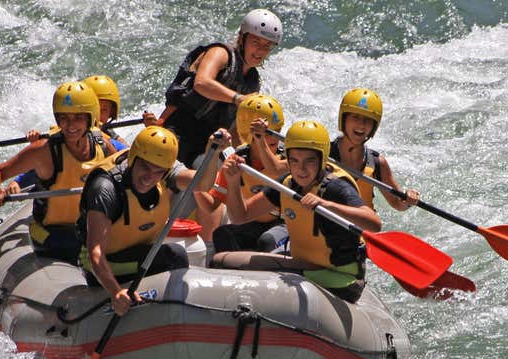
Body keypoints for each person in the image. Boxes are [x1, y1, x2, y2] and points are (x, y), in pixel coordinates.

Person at [221, 120, 381, 303]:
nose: (301, 169)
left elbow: (374, 223)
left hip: (340, 277)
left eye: (309, 161)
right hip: (308, 265)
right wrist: (233, 181)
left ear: (322, 159)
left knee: (244, 269)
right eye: (294, 161)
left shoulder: (336, 187)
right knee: (222, 261)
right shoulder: (287, 183)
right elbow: (240, 216)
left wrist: (327, 205)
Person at [77, 126, 231, 316]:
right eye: (145, 167)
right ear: (133, 159)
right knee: (174, 255)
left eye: (158, 171)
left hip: (137, 255)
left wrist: (212, 152)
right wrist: (116, 292)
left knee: (176, 253)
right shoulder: (105, 188)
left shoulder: (166, 169)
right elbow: (95, 253)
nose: (149, 177)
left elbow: (201, 184)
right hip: (105, 264)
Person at [0, 81, 115, 263]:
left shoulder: (102, 145)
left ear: (90, 117)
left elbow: (122, 177)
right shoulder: (44, 151)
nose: (70, 125)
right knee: (79, 243)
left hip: (88, 229)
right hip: (53, 235)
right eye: (64, 118)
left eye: (77, 117)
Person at [160, 8, 282, 167]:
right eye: (255, 42)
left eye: (267, 46)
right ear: (242, 38)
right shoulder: (221, 53)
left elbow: (237, 130)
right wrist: (238, 98)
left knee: (236, 169)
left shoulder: (253, 81)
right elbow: (201, 83)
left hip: (207, 144)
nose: (260, 50)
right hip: (177, 131)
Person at [194, 93, 288, 257]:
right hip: (251, 223)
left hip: (285, 225)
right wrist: (196, 183)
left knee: (267, 241)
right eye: (267, 134)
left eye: (276, 131)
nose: (274, 138)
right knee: (222, 235)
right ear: (249, 134)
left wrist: (261, 139)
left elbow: (275, 170)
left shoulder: (287, 160)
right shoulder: (237, 161)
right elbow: (211, 206)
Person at [331, 88, 419, 211]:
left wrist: (408, 199)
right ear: (344, 119)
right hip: (326, 228)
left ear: (374, 126)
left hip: (361, 227)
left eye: (367, 120)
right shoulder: (323, 155)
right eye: (355, 117)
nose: (361, 125)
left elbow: (397, 203)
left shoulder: (377, 163)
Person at [83, 74, 128, 150]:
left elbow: (128, 150)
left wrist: (151, 128)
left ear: (111, 113)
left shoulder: (108, 132)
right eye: (94, 109)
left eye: (104, 110)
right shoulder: (71, 129)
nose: (98, 115)